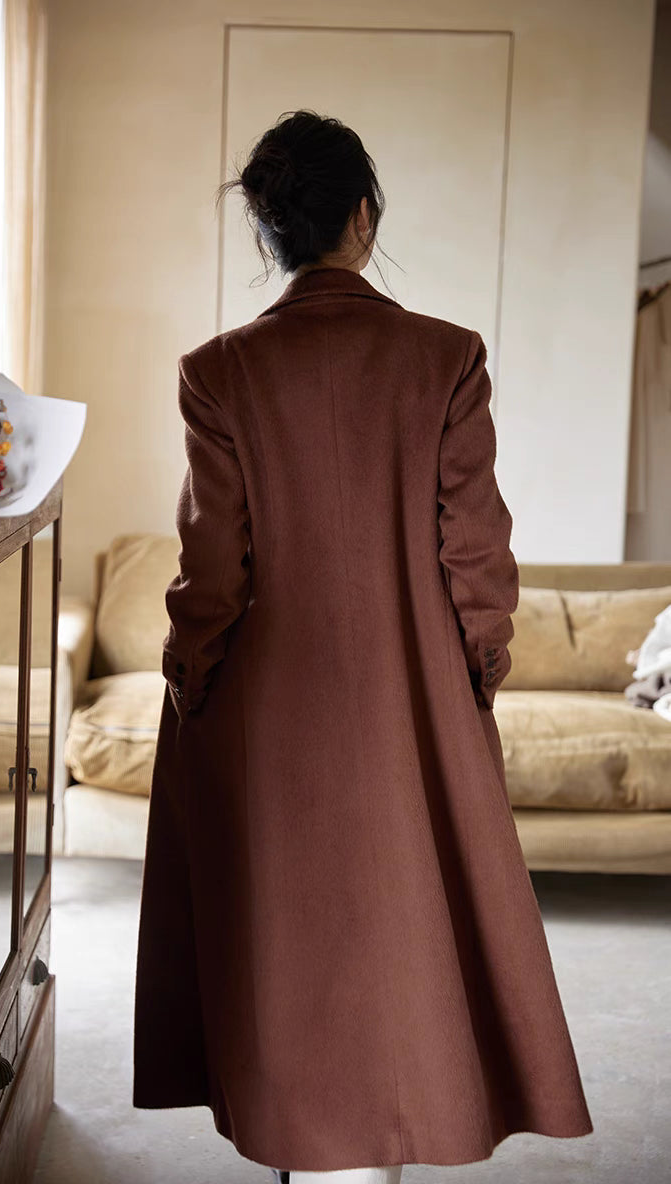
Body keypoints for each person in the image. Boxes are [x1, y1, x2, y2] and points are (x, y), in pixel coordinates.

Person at [132, 109, 593, 1183]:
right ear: (362, 214)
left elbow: (214, 569)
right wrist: (470, 674)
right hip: (410, 696)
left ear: (270, 235)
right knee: (401, 943)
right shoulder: (447, 356)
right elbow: (477, 552)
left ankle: (304, 1142)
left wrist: (190, 679)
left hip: (265, 709)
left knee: (285, 944)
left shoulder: (219, 370)